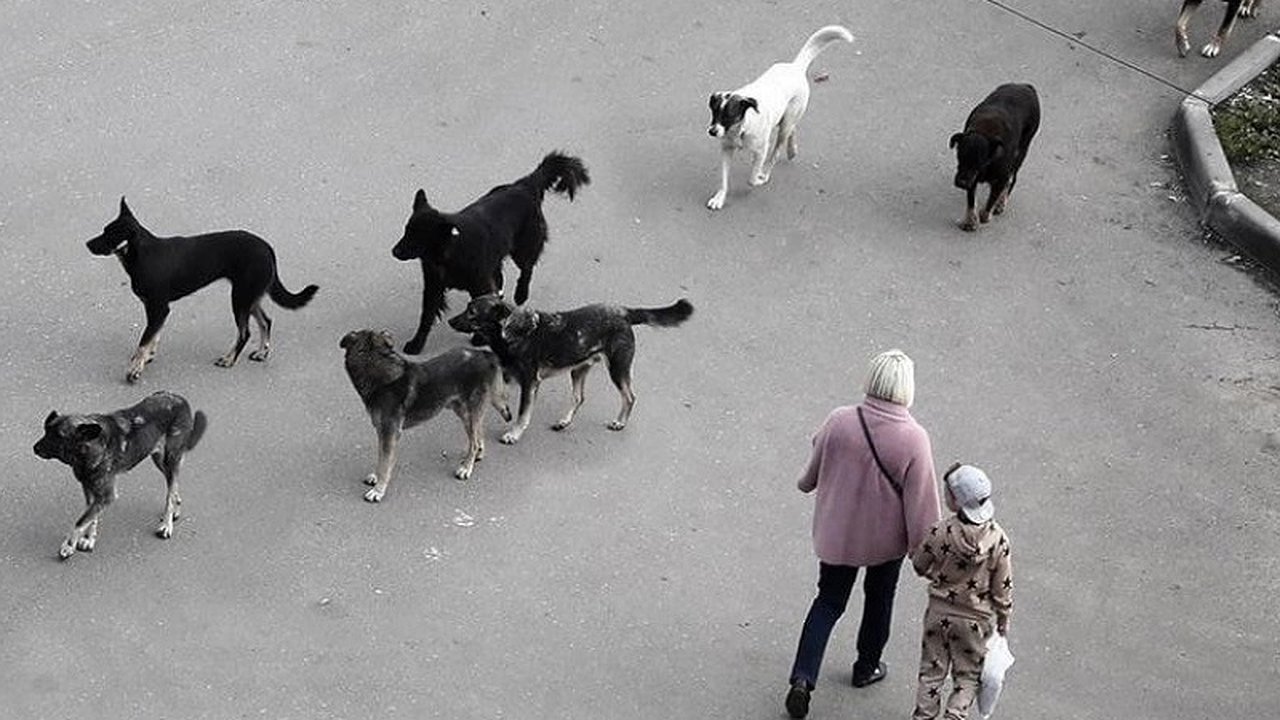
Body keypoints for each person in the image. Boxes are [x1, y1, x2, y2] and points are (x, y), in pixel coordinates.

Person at [785, 349, 942, 720]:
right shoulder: (914, 439)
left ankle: (802, 679)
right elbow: (922, 503)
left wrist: (807, 482)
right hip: (884, 543)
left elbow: (814, 465)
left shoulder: (841, 419)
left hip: (838, 534)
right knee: (879, 599)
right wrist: (925, 553)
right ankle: (866, 667)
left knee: (828, 602)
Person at [909, 463, 1013, 720]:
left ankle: (924, 716)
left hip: (938, 613)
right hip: (975, 621)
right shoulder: (998, 540)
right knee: (967, 676)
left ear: (955, 502)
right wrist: (1003, 618)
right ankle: (956, 714)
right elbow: (1003, 588)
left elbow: (919, 564)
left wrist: (935, 574)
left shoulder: (940, 531)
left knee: (932, 671)